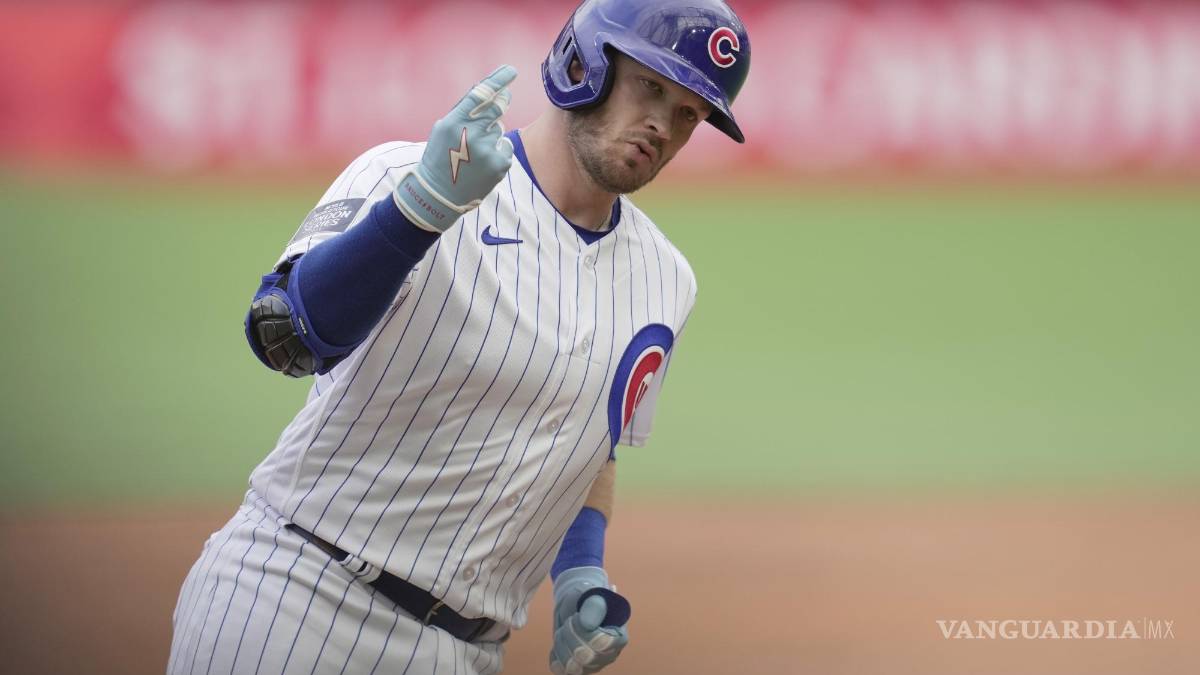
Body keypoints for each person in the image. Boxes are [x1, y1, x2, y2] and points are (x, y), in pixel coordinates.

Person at [167, 0, 750, 672]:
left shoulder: (666, 282)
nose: (663, 125)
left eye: (689, 114)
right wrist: (419, 211)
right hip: (297, 601)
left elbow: (589, 444)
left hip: (466, 652)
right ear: (584, 65)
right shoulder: (409, 175)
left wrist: (581, 569)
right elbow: (286, 337)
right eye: (649, 86)